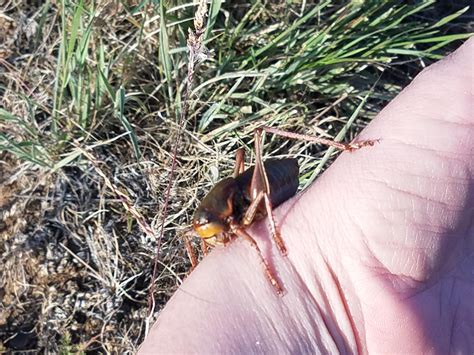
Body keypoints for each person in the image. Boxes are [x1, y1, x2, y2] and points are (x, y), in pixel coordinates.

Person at [139, 38, 473, 354]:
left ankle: (346, 146)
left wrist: (274, 263)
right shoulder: (211, 222)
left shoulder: (233, 216)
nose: (209, 238)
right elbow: (200, 238)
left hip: (269, 183)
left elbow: (255, 232)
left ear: (222, 216)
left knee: (257, 144)